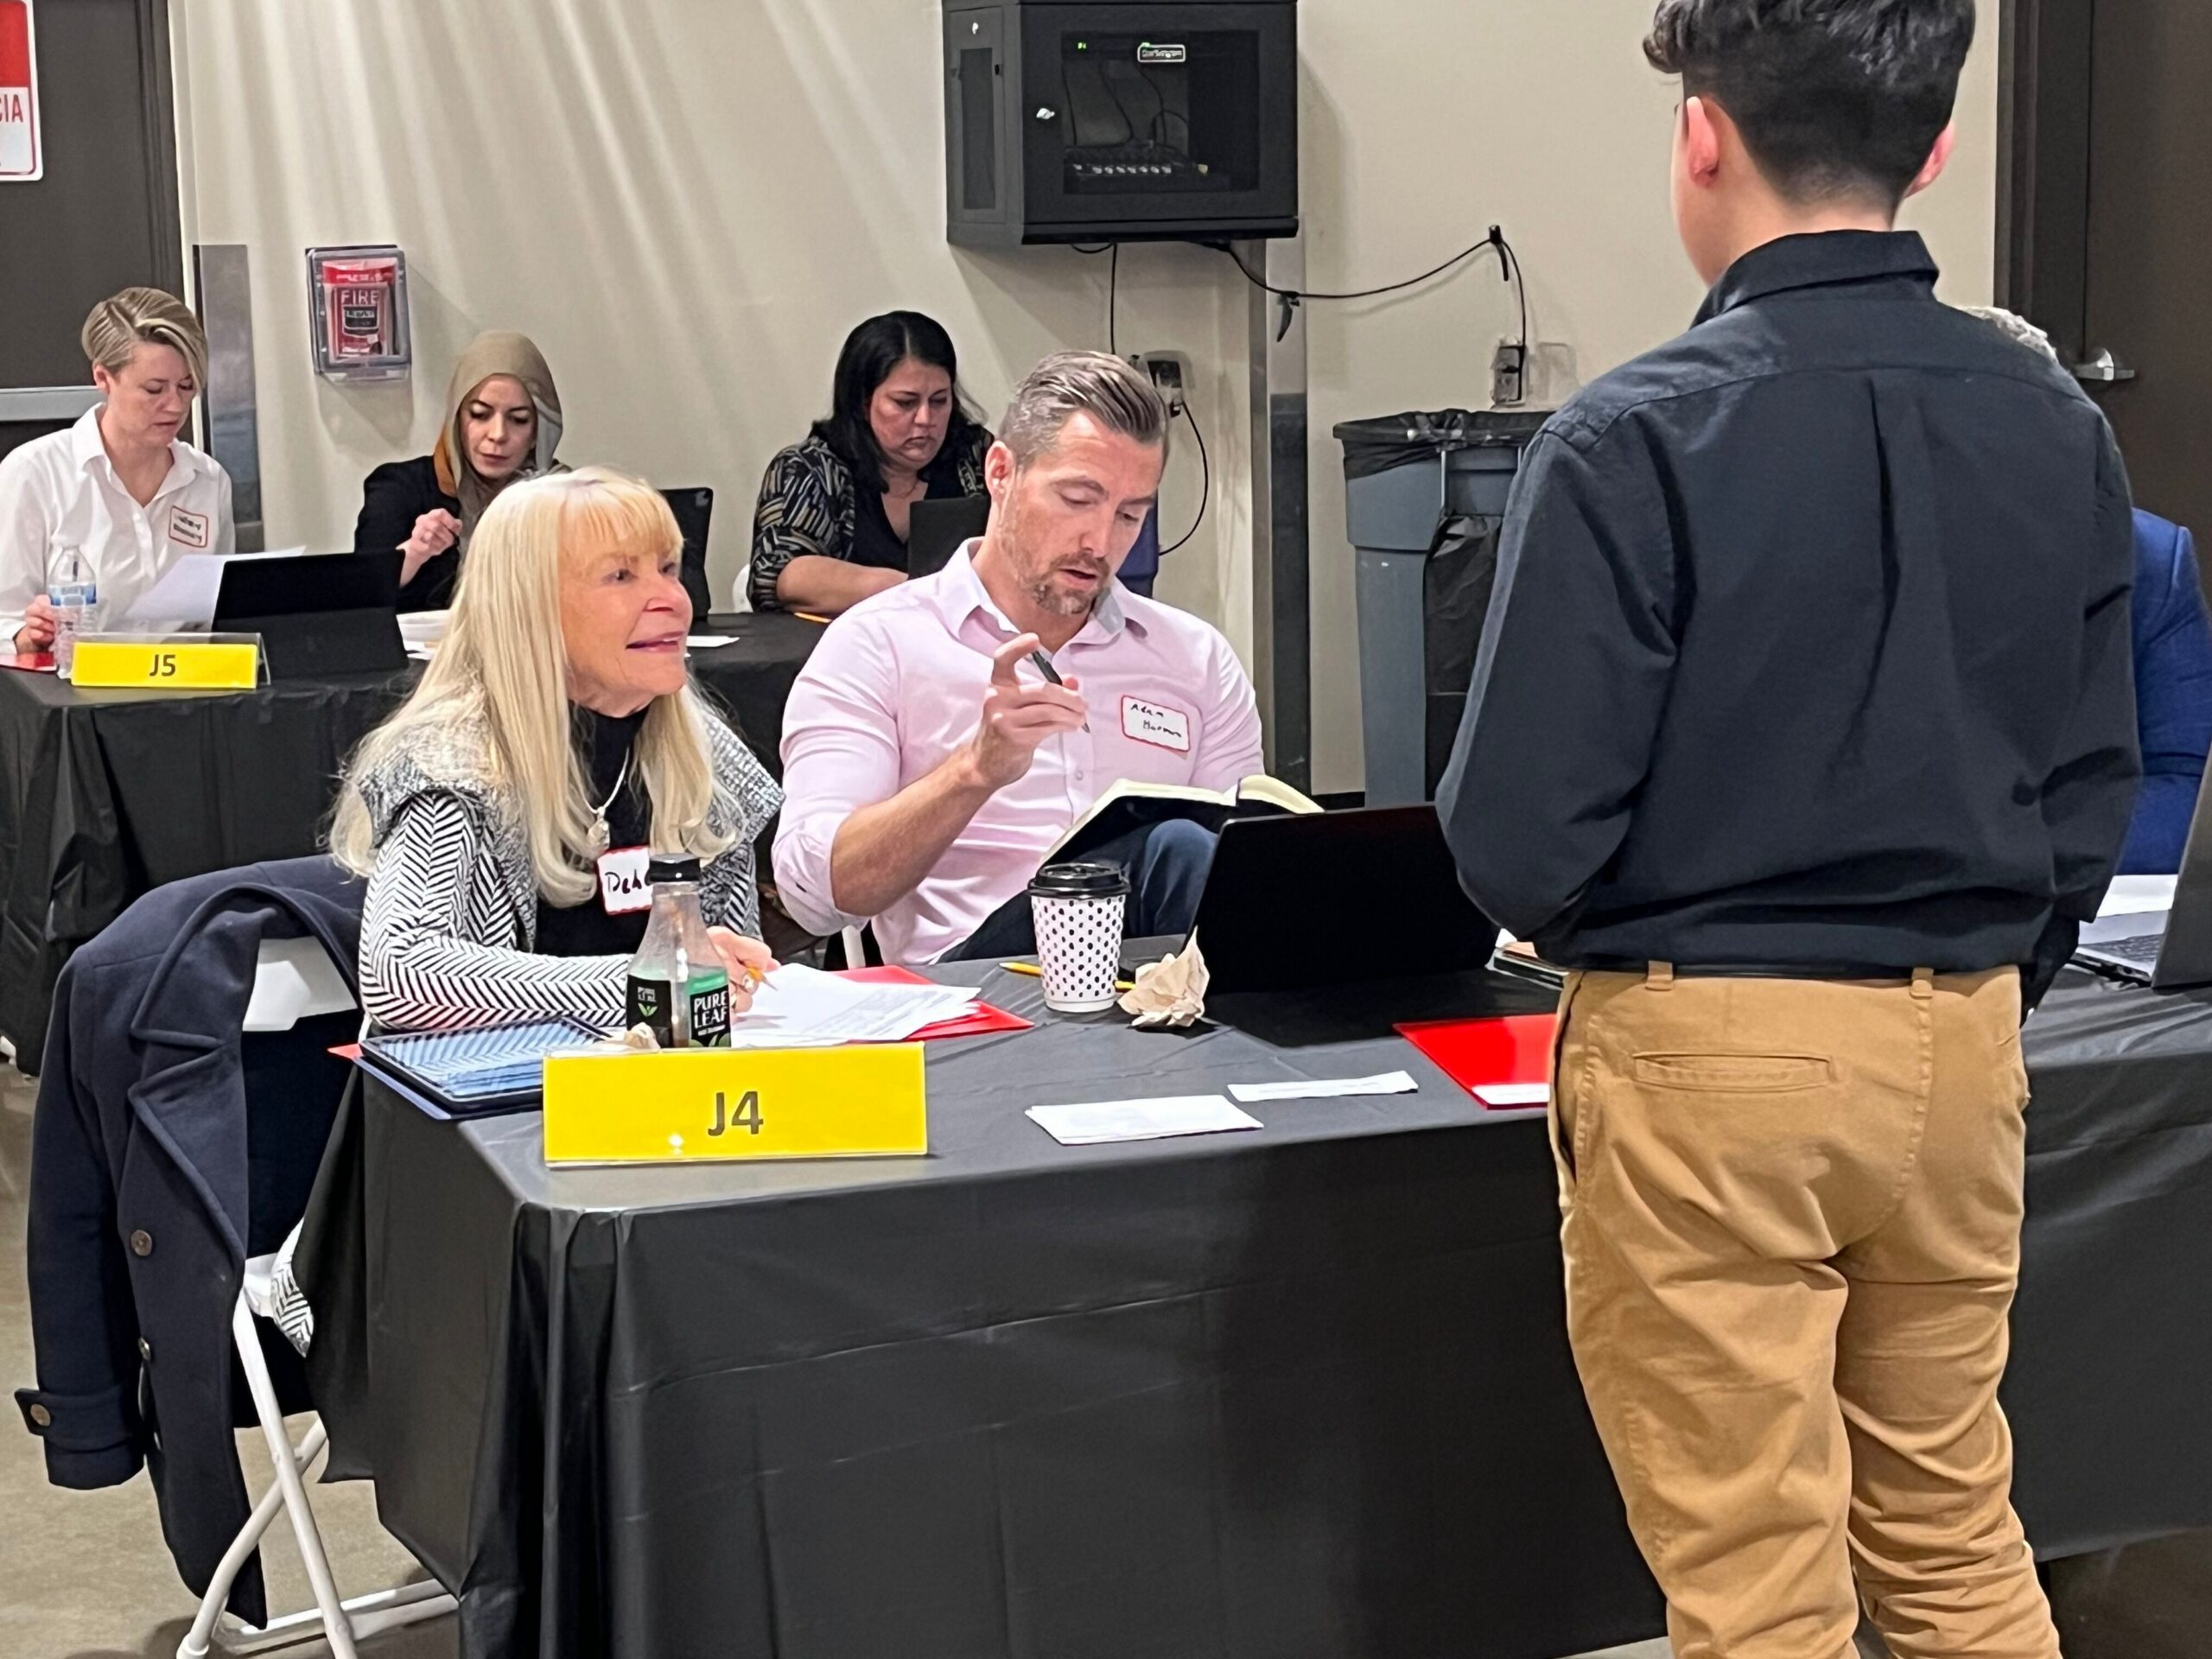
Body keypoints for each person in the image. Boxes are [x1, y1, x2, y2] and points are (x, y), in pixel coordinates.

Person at [1435, 3, 2138, 1656]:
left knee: (1759, 1583)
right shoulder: (2062, 428)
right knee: (1957, 1530)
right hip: (1963, 1041)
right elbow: (2092, 776)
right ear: (1937, 148)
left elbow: (1520, 838)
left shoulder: (1631, 436)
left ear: (1702, 136)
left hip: (1710, 1046)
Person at [775, 351, 1262, 963]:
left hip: (1160, 1002)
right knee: (1169, 848)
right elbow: (816, 899)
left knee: (1227, 857)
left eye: (1130, 515)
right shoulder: (880, 643)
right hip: (975, 997)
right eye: (1078, 499)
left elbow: (1238, 877)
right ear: (1001, 473)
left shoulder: (1193, 657)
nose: (1101, 542)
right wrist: (972, 772)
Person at [332, 467, 781, 1033]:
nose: (671, 599)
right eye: (621, 575)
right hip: (498, 1105)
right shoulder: (453, 761)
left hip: (663, 1093)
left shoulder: (704, 756)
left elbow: (726, 983)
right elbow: (399, 974)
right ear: (531, 609)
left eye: (668, 568)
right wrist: (644, 982)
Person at [1963, 308, 2212, 874]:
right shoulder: (1851, 559)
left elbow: (2189, 796)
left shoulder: (2146, 556)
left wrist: (2010, 862)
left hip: (2084, 916)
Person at [0, 288, 234, 652]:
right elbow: (5, 621)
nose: (175, 405)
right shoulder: (34, 473)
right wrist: (29, 635)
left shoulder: (208, 480)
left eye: (187, 387)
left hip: (187, 698)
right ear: (103, 378)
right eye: (154, 389)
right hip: (74, 699)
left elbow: (219, 619)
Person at [747, 311, 993, 614]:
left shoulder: (976, 456)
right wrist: (916, 591)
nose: (926, 419)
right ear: (863, 404)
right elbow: (783, 576)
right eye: (905, 403)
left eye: (939, 401)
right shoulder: (809, 468)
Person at [353, 331, 564, 612]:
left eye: (519, 420)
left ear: (538, 431)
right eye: (480, 414)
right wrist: (416, 552)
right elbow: (361, 597)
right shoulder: (400, 488)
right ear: (456, 418)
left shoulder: (563, 497)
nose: (498, 434)